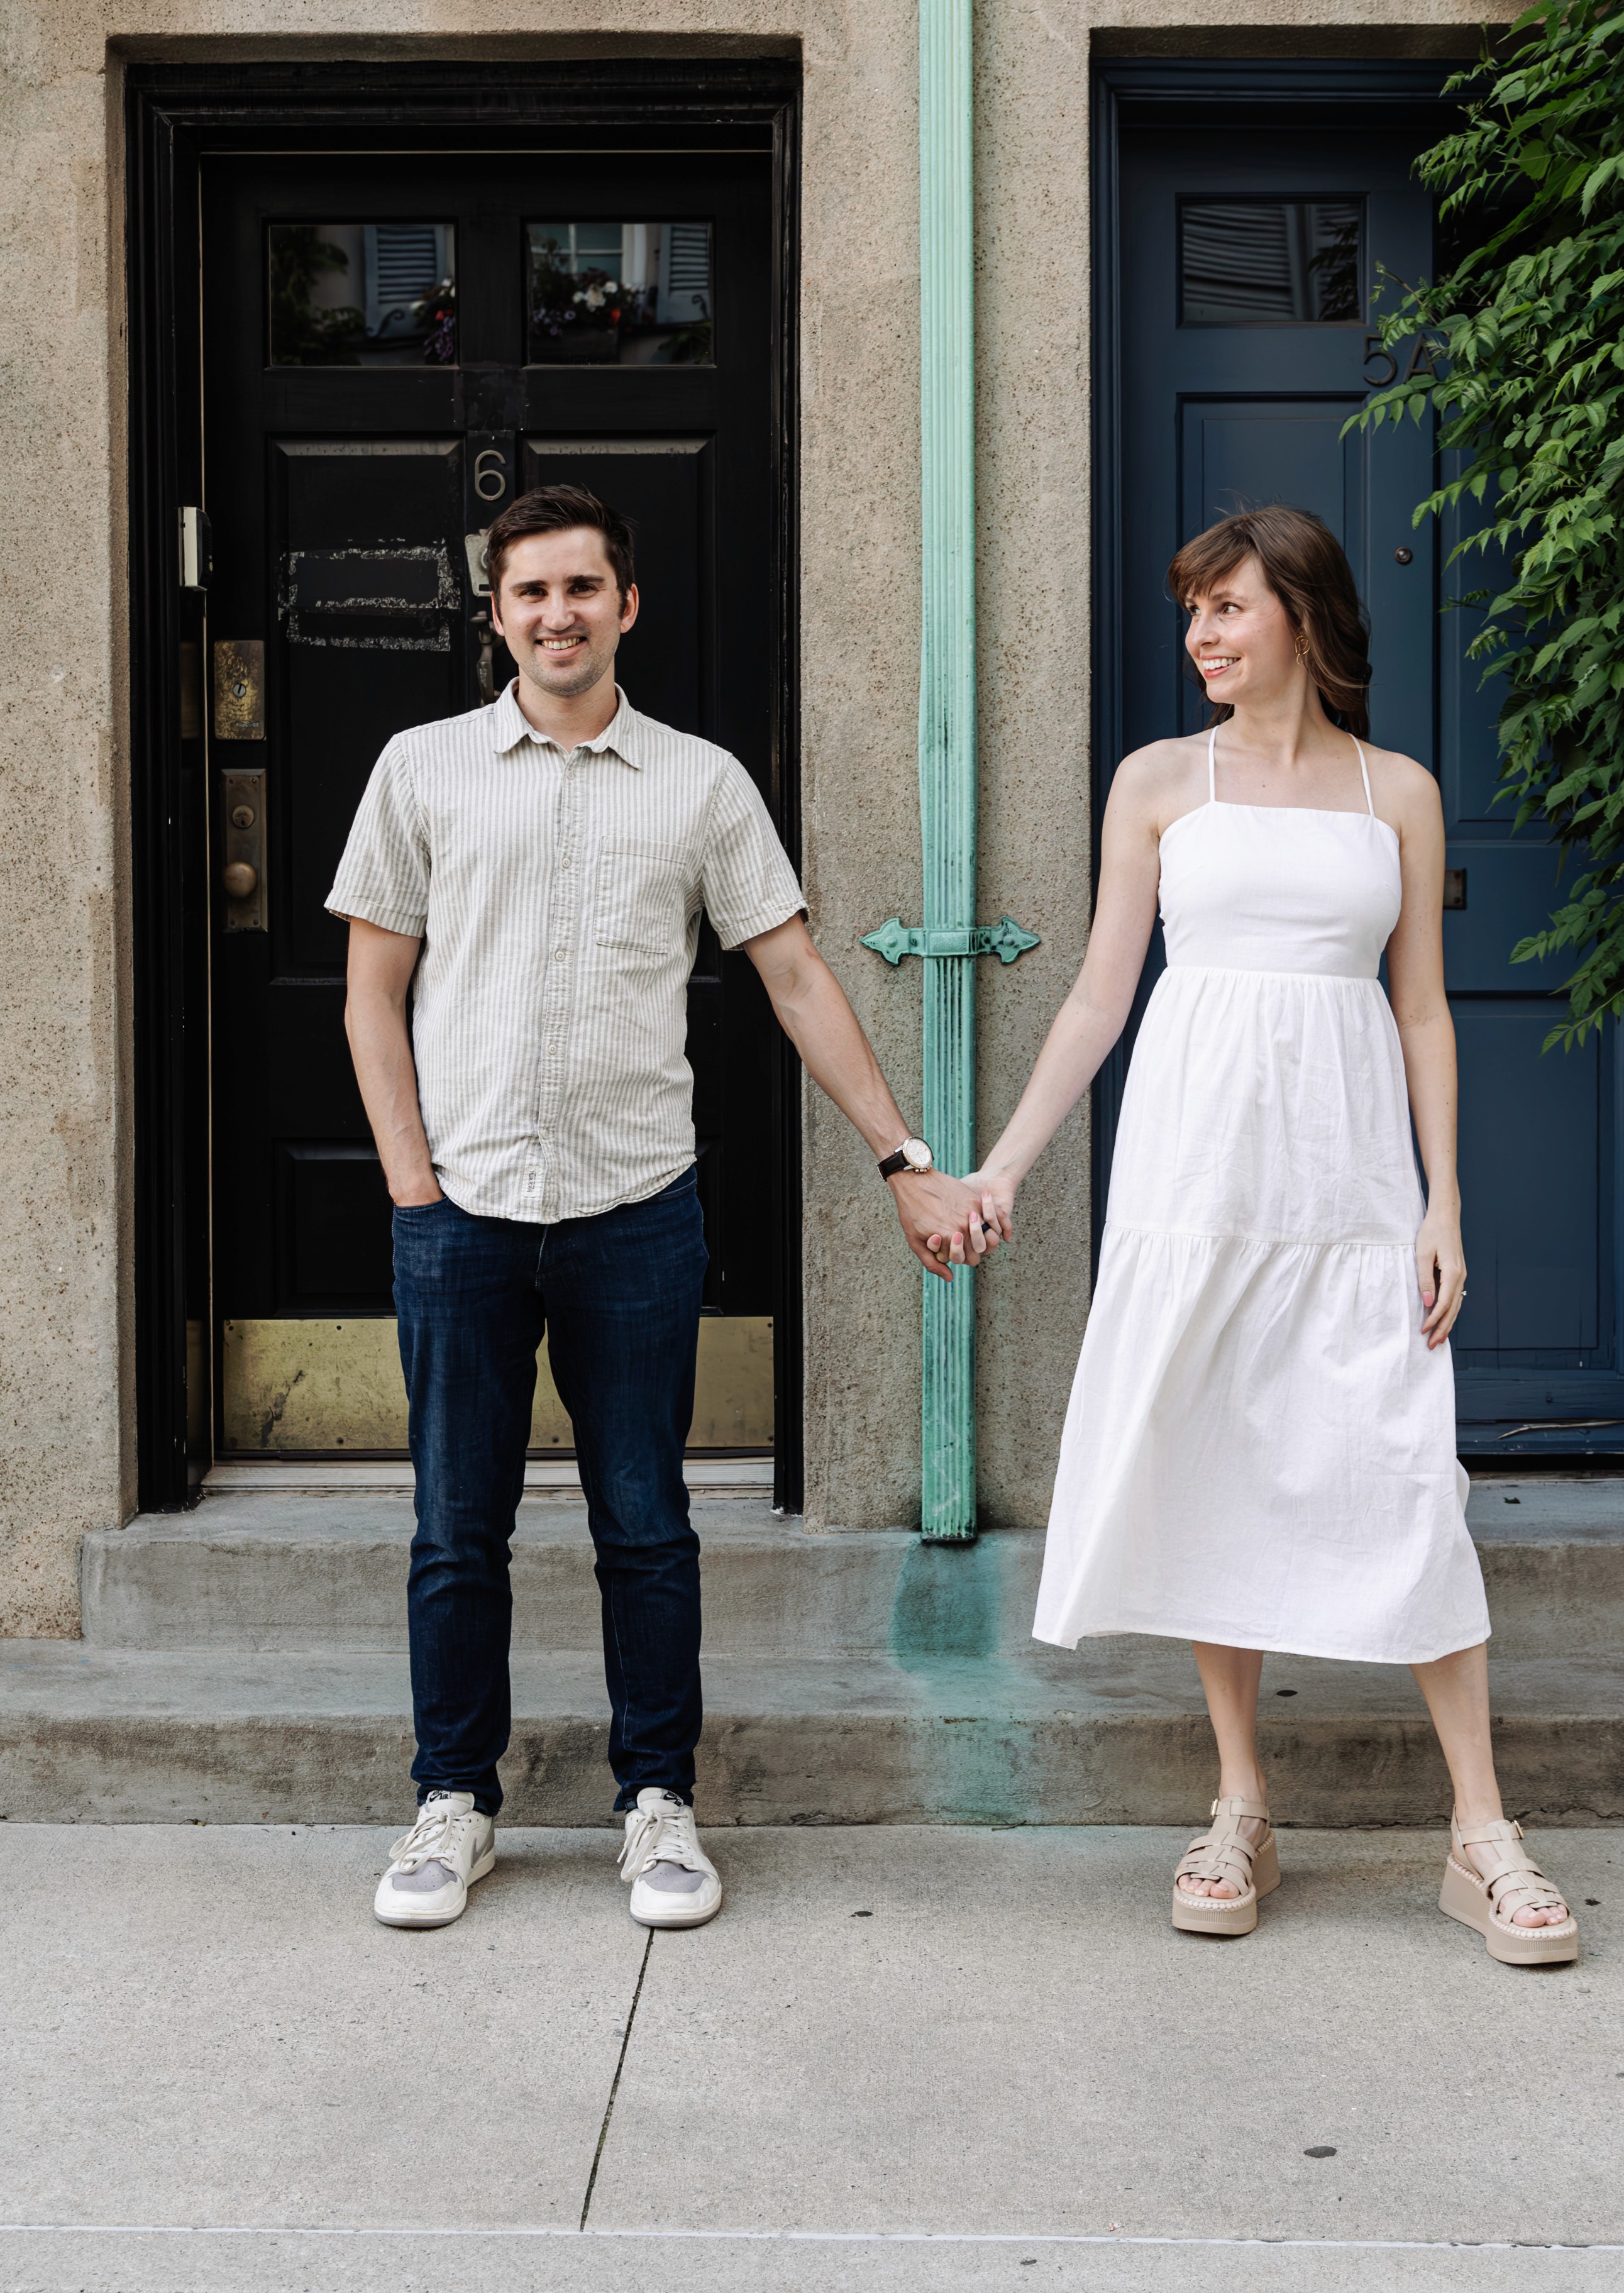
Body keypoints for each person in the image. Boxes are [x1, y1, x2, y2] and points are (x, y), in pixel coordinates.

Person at [331, 483, 981, 1934]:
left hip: (634, 1207)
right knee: (456, 1529)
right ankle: (452, 1802)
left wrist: (901, 1158)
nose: (554, 614)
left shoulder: (698, 783)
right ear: (492, 615)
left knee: (646, 1525)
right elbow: (372, 994)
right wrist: (409, 1183)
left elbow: (797, 976)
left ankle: (655, 1805)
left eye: (581, 588)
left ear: (627, 605)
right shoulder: (420, 771)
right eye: (527, 593)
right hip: (464, 1211)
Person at [955, 504, 1579, 1964]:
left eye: (1227, 608)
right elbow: (1102, 995)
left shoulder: (1399, 793)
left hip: (1351, 1181)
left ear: (1300, 611)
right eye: (1192, 613)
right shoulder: (1159, 783)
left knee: (1406, 1470)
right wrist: (1003, 1168)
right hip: (1200, 1178)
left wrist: (1444, 1202)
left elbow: (1420, 1005)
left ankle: (1478, 1833)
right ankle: (1239, 1801)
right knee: (1214, 1456)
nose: (1201, 637)